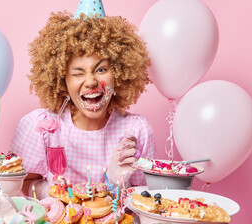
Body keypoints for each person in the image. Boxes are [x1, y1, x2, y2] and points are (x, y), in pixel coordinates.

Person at [10, 5, 156, 199]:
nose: (90, 82)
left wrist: (116, 182)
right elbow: (25, 183)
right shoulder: (40, 127)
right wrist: (50, 191)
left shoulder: (136, 131)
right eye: (78, 72)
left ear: (119, 74)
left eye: (101, 70)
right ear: (63, 81)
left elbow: (146, 198)